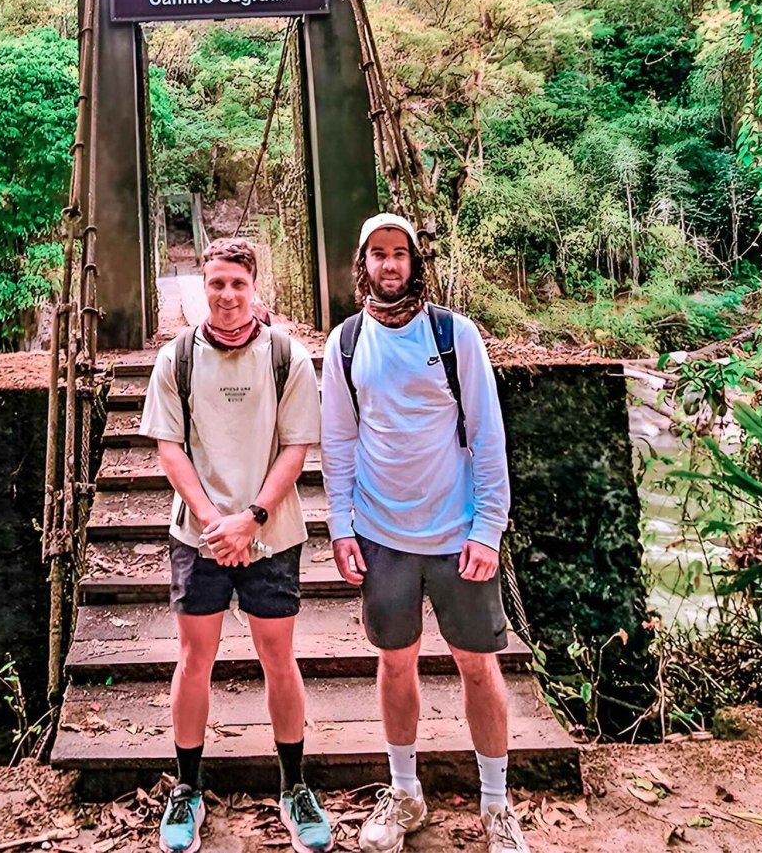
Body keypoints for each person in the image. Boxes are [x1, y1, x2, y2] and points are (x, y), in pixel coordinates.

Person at [320, 214, 527, 853]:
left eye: (399, 254)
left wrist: (489, 528)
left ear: (414, 262)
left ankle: (496, 803)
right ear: (363, 265)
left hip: (456, 531)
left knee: (477, 663)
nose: (389, 265)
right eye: (377, 255)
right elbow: (338, 440)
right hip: (381, 534)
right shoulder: (346, 343)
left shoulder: (455, 335)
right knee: (396, 661)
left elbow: (487, 437)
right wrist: (341, 524)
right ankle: (404, 790)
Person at [140, 238, 334, 853]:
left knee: (279, 657)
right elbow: (169, 448)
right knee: (195, 659)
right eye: (217, 284)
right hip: (197, 535)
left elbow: (296, 448)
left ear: (255, 289)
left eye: (238, 285)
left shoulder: (287, 357)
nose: (227, 296)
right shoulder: (177, 359)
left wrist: (249, 519)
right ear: (203, 284)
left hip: (271, 533)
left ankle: (294, 784)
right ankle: (187, 788)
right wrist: (212, 522)